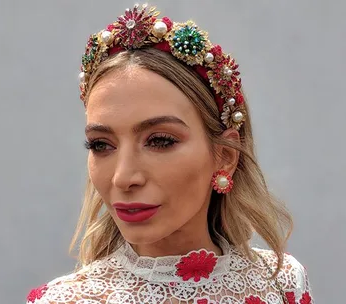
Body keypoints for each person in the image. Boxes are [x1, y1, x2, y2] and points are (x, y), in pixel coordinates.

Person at [26, 4, 313, 304]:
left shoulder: (282, 283)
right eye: (101, 145)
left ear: (225, 156)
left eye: (160, 140)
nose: (123, 177)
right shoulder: (63, 300)